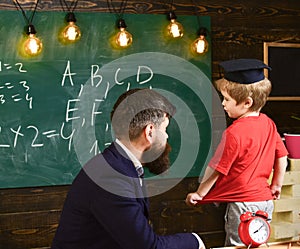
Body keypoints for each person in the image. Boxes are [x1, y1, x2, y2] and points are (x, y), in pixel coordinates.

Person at [51, 88, 205, 249]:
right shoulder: (111, 177)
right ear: (150, 132)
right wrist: (195, 241)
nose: (166, 137)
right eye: (165, 129)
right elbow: (146, 247)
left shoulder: (120, 166)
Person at [185, 59, 288, 246]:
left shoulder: (233, 132)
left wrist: (200, 193)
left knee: (237, 245)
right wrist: (276, 185)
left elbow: (216, 168)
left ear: (247, 102)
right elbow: (282, 156)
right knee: (258, 245)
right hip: (265, 201)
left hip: (243, 205)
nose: (223, 104)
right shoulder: (268, 123)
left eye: (226, 99)